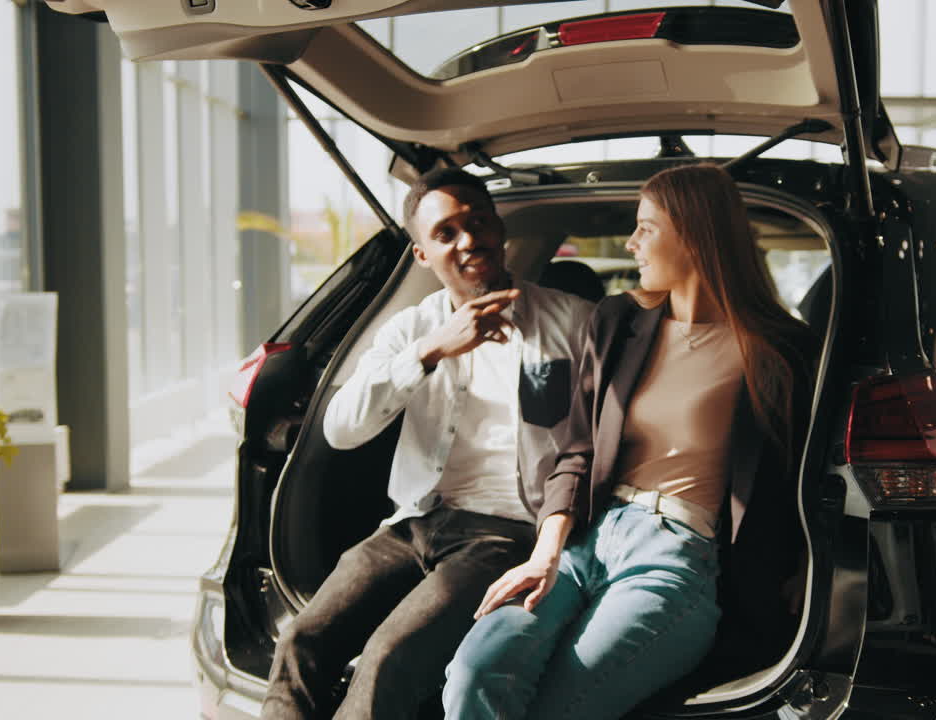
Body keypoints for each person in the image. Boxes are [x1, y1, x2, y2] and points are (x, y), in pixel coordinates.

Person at [442, 163, 818, 720]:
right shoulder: (618, 321)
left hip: (676, 556)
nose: (631, 242)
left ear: (693, 232)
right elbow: (577, 450)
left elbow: (808, 469)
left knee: (558, 708)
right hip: (585, 541)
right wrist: (544, 556)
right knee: (473, 676)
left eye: (646, 228)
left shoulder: (777, 348)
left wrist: (806, 566)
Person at [261, 167, 593, 720]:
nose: (468, 241)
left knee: (387, 659)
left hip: (505, 531)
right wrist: (430, 351)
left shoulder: (573, 322)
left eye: (478, 223)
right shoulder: (409, 330)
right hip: (411, 522)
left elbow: (597, 441)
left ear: (498, 229)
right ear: (422, 256)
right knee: (302, 641)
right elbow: (342, 429)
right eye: (445, 234)